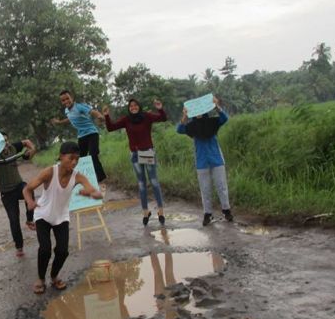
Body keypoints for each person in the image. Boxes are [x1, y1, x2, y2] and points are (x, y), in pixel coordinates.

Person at [23, 142, 103, 294]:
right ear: (61, 156)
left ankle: (54, 276)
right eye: (71, 158)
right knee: (45, 249)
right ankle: (40, 279)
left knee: (62, 251)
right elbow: (27, 189)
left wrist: (93, 193)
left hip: (61, 217)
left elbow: (93, 190)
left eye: (77, 159)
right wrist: (30, 202)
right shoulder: (49, 172)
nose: (74, 162)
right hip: (43, 215)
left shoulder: (77, 176)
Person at [103, 98, 168, 226]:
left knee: (154, 182)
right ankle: (145, 212)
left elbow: (163, 118)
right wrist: (106, 116)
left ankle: (160, 211)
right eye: (131, 106)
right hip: (135, 155)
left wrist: (160, 108)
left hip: (148, 153)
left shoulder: (147, 116)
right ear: (129, 108)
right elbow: (111, 128)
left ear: (139, 106)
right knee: (141, 185)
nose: (133, 107)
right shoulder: (126, 120)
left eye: (135, 105)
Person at [176, 96, 234, 226]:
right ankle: (207, 214)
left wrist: (217, 106)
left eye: (200, 111)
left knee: (222, 186)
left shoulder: (213, 122)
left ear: (205, 110)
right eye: (195, 111)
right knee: (205, 189)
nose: (198, 113)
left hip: (216, 159)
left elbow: (224, 118)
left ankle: (226, 210)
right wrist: (185, 116)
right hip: (201, 161)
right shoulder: (191, 127)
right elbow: (179, 129)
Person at [0, 133, 37, 258]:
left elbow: (26, 142)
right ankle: (19, 247)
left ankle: (30, 220)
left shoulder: (13, 148)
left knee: (28, 189)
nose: (5, 143)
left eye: (6, 140)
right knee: (14, 220)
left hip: (19, 185)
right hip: (6, 192)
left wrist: (32, 149)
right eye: (1, 141)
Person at [51, 90, 107, 184]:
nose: (66, 101)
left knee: (93, 155)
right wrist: (59, 122)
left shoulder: (79, 106)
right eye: (63, 100)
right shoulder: (67, 111)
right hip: (81, 136)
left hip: (92, 133)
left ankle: (101, 178)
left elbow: (92, 111)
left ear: (72, 98)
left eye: (67, 98)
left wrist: (100, 116)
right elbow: (70, 119)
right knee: (80, 158)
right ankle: (82, 178)